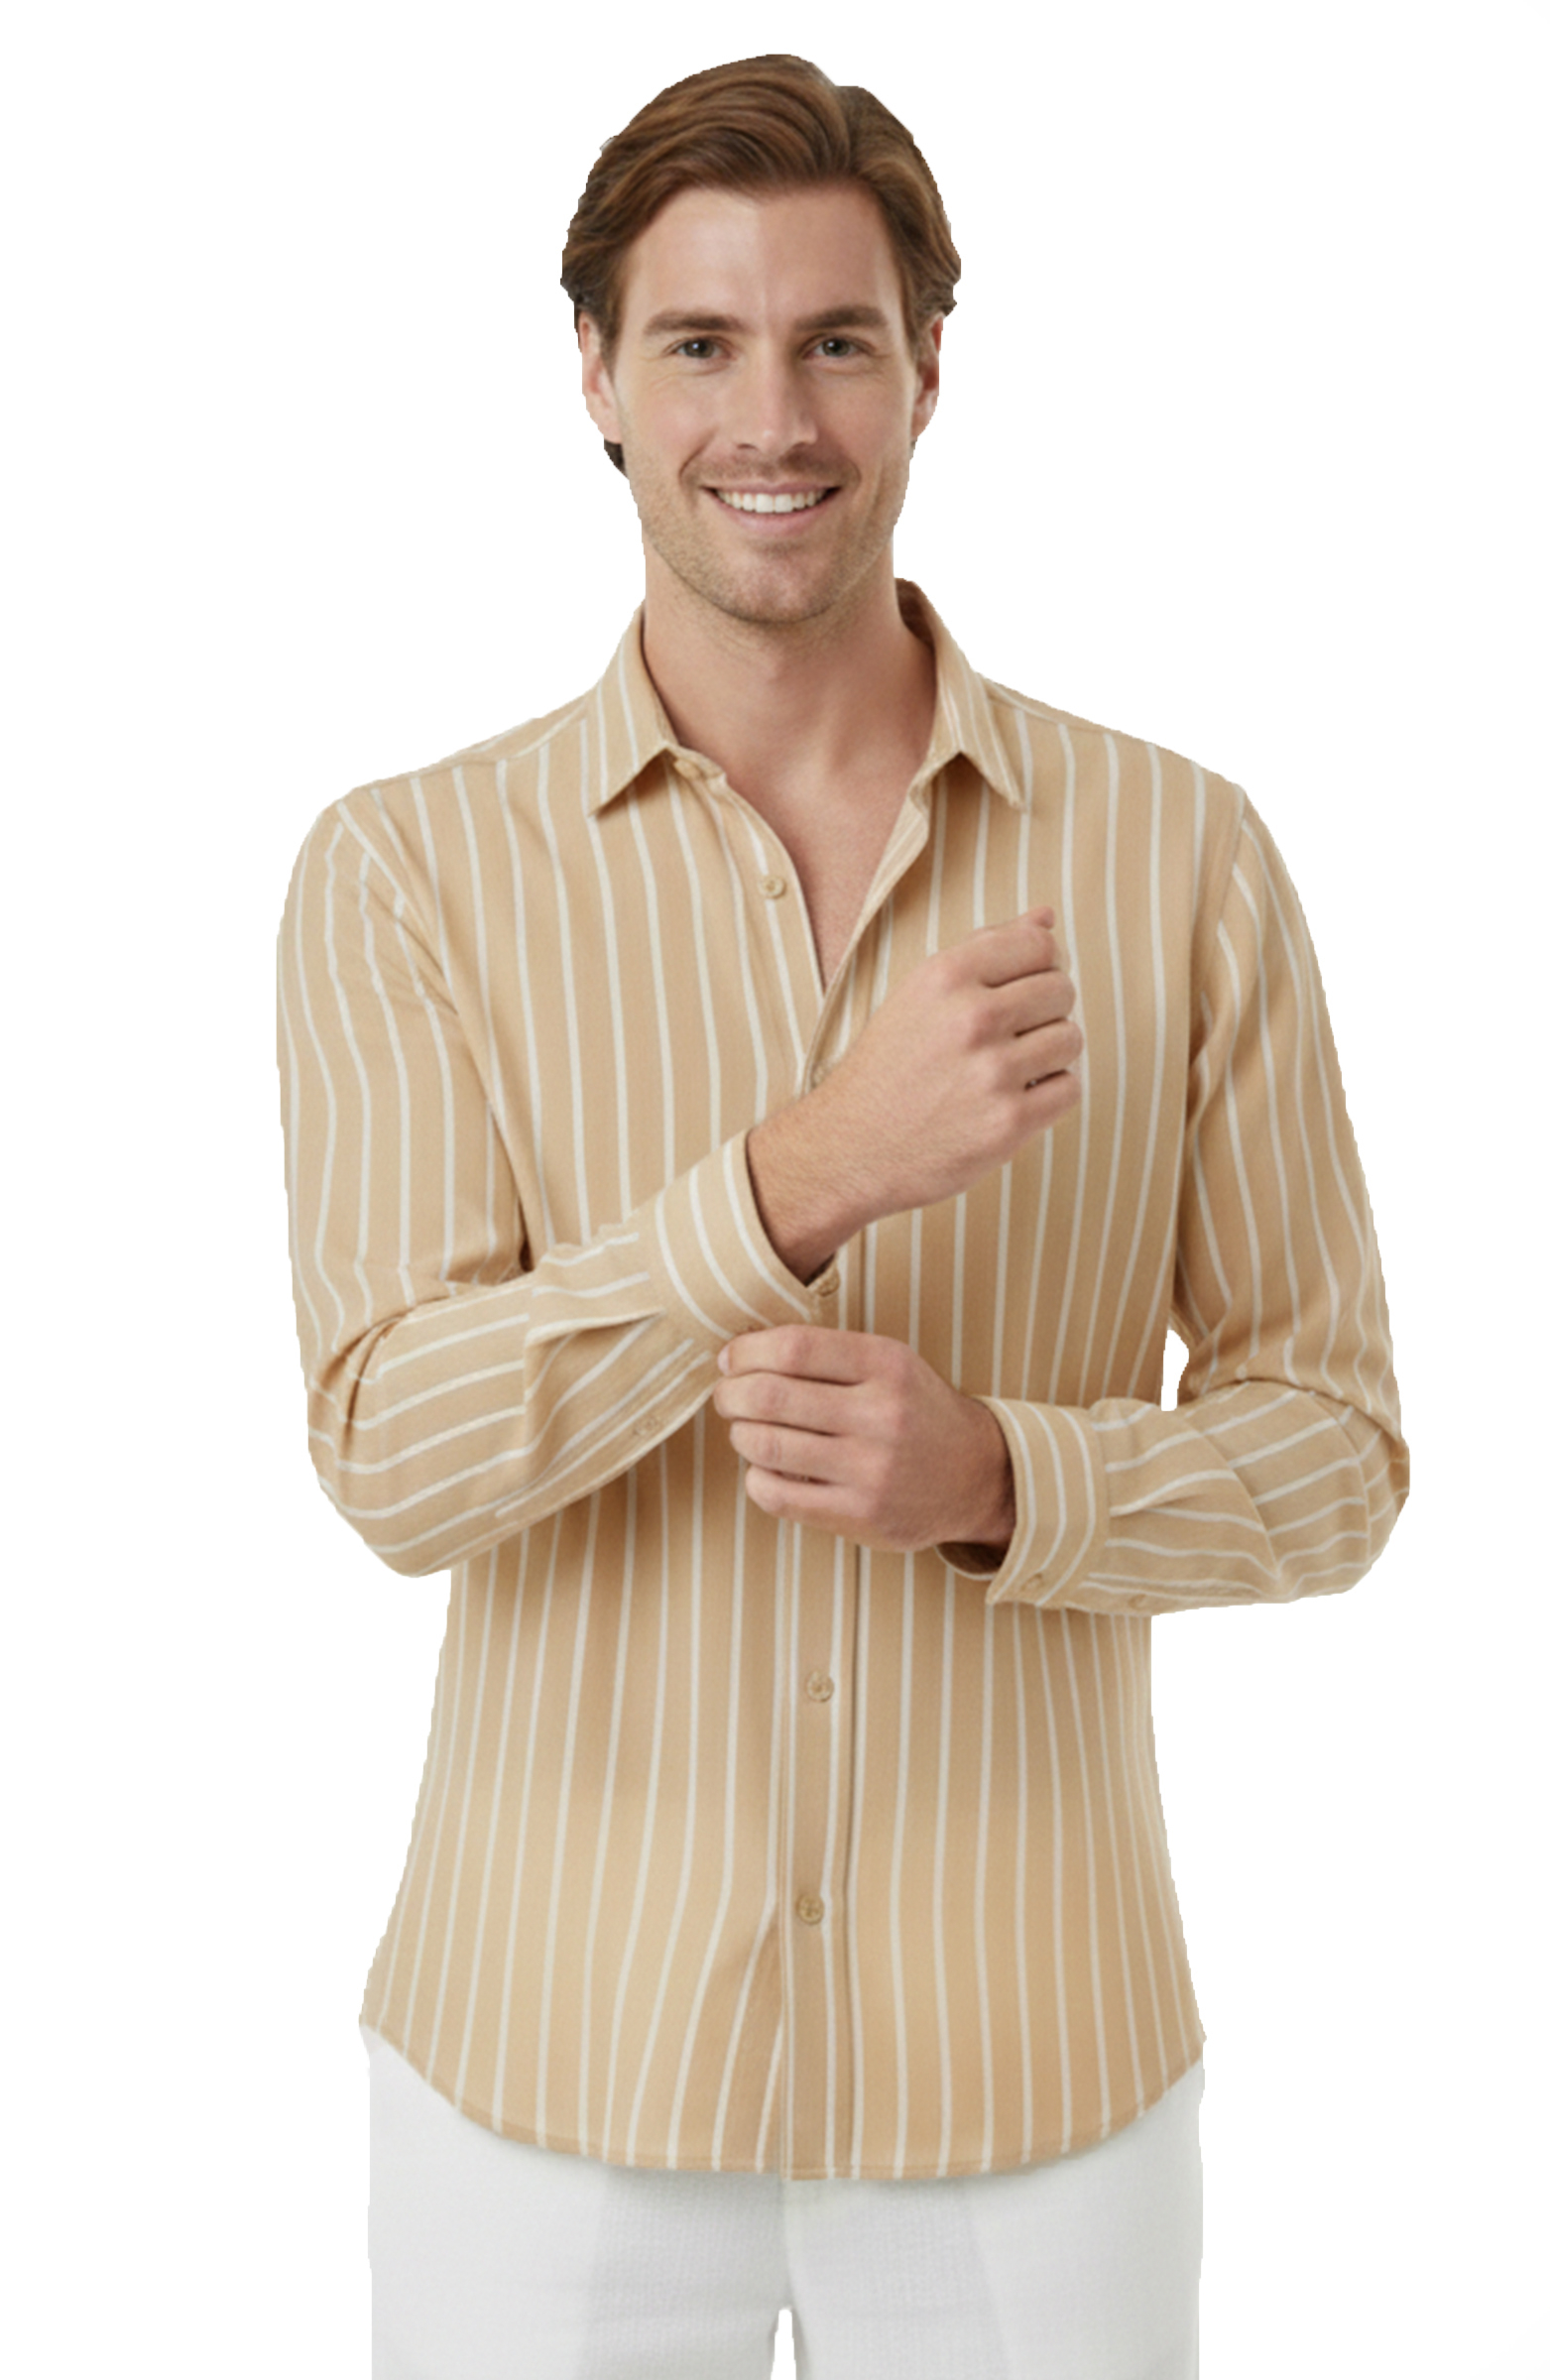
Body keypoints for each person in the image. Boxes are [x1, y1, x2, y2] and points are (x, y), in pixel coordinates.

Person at [276, 52, 1407, 2380]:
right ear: (593, 373)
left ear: (925, 372)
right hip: (547, 2073)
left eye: (834, 342)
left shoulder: (1177, 857)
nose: (768, 417)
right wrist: (796, 1181)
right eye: (697, 341)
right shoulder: (407, 873)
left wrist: (1002, 1480)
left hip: (1033, 2077)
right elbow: (390, 1458)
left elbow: (1334, 1456)